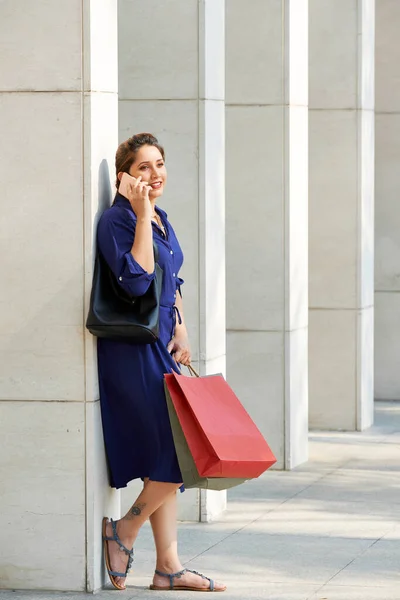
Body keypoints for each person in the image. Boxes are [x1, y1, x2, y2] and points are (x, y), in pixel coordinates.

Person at [96, 133, 226, 592]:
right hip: (132, 351)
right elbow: (137, 281)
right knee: (178, 452)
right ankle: (125, 529)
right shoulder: (117, 221)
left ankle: (168, 567)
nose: (154, 175)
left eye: (159, 164)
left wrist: (183, 326)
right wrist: (143, 214)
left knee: (167, 456)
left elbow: (172, 282)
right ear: (124, 177)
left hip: (162, 345)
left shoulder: (162, 218)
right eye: (143, 168)